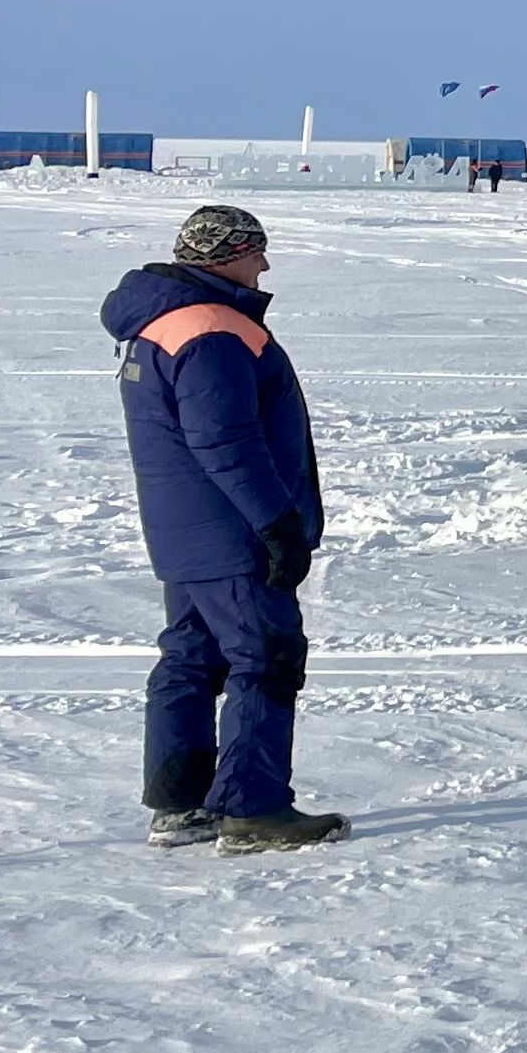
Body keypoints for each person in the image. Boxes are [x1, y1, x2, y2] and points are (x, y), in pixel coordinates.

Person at [102, 206, 348, 853]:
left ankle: (180, 805)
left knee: (189, 659)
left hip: (184, 534)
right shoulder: (212, 329)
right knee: (264, 658)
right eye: (256, 252)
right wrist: (277, 523)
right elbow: (226, 441)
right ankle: (252, 809)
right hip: (231, 532)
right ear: (227, 255)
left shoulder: (159, 323)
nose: (264, 266)